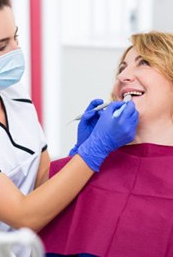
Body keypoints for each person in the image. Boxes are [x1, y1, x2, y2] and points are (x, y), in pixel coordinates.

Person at [0, 0, 138, 256]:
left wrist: (76, 152)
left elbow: (41, 180)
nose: (15, 52)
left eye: (15, 37)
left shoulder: (12, 92)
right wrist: (94, 150)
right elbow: (23, 214)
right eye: (0, 46)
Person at [40, 31, 173, 257]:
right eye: (122, 68)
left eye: (144, 63)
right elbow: (28, 215)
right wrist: (80, 155)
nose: (123, 77)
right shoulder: (85, 164)